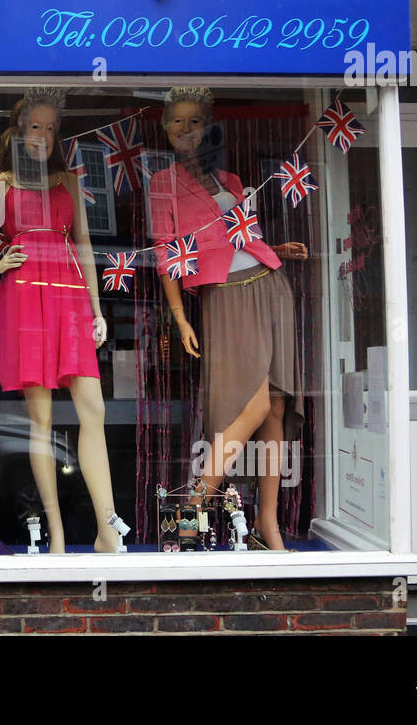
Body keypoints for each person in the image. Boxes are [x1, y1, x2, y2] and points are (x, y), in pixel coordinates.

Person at [0, 87, 124, 553]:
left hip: (69, 299)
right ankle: (58, 535)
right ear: (19, 131)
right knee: (40, 421)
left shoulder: (67, 182)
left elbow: (84, 247)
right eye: (35, 127)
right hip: (24, 299)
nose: (43, 135)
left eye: (50, 127)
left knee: (94, 411)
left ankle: (107, 528)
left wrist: (97, 309)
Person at [150, 86, 307, 550]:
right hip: (227, 296)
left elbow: (238, 239)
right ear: (164, 127)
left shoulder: (234, 180)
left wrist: (275, 251)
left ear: (207, 126)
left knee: (275, 407)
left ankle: (267, 524)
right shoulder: (164, 184)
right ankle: (192, 507)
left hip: (270, 285)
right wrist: (180, 316)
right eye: (176, 121)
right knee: (253, 405)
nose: (184, 129)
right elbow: (165, 252)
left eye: (193, 121)